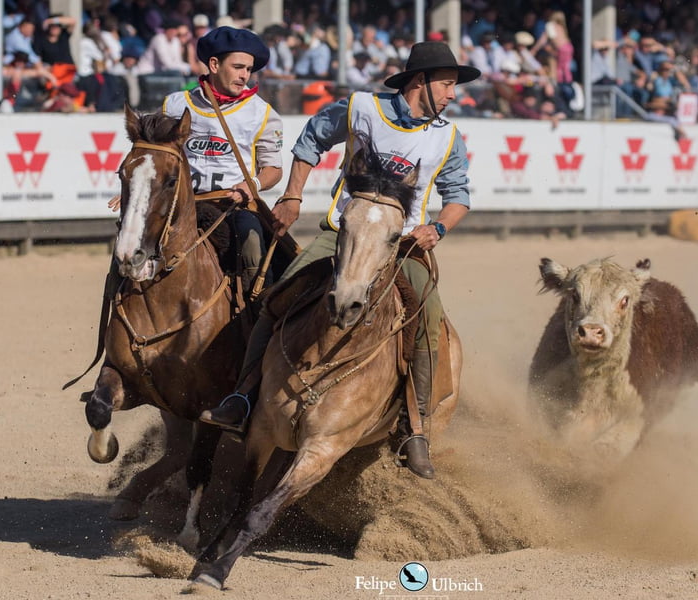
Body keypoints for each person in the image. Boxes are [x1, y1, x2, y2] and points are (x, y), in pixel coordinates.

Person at [200, 41, 481, 480]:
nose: (452, 94)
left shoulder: (447, 136)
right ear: (419, 81)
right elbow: (311, 139)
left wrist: (438, 227)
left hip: (402, 245)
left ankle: (415, 428)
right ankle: (244, 396)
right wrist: (292, 194)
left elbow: (459, 195)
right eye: (446, 84)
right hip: (341, 234)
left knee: (428, 318)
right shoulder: (361, 108)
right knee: (278, 297)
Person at [111, 26, 284, 297]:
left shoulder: (262, 113)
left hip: (231, 206)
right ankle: (117, 308)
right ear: (214, 64)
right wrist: (138, 192)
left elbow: (273, 169)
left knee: (252, 245)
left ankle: (257, 315)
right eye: (238, 67)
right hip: (179, 204)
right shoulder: (174, 105)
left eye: (249, 69)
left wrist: (251, 186)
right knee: (127, 243)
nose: (244, 76)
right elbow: (154, 158)